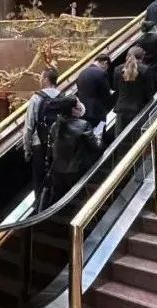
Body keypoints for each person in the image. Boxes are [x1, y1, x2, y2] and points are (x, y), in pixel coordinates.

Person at [22, 68, 64, 208]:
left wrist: (27, 149)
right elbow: (79, 111)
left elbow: (29, 126)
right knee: (56, 174)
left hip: (39, 143)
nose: (40, 80)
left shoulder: (37, 98)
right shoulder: (63, 96)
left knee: (39, 177)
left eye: (41, 77)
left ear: (46, 79)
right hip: (59, 143)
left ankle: (40, 206)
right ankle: (56, 203)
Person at [47, 99, 101, 205]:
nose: (80, 109)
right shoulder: (83, 124)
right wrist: (99, 137)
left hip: (59, 172)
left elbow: (51, 150)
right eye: (78, 108)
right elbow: (95, 146)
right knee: (83, 200)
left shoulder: (54, 125)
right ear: (72, 110)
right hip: (78, 171)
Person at [113, 47, 155, 136]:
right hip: (139, 109)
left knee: (120, 137)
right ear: (142, 57)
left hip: (121, 109)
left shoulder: (117, 69)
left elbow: (116, 89)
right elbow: (149, 91)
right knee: (139, 136)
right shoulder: (146, 70)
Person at [75, 54, 114, 129]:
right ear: (105, 63)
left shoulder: (82, 73)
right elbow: (106, 94)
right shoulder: (101, 73)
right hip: (98, 113)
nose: (106, 69)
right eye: (107, 67)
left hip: (83, 111)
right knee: (99, 132)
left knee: (88, 132)